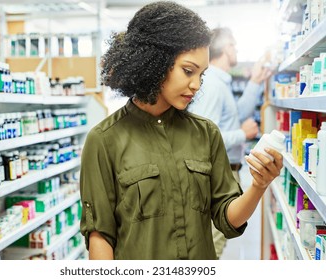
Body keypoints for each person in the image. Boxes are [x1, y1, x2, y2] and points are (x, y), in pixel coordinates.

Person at [79, 1, 283, 260]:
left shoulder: (206, 133)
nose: (196, 85)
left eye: (202, 74)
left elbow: (226, 218)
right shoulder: (104, 140)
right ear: (154, 61)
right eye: (188, 71)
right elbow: (100, 235)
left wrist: (258, 185)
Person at [188, 27, 272, 258]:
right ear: (226, 49)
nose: (236, 50)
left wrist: (255, 82)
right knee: (212, 246)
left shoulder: (219, 82)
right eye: (234, 45)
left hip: (225, 171)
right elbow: (201, 138)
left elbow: (234, 115)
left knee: (217, 241)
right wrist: (241, 135)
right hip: (217, 174)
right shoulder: (213, 85)